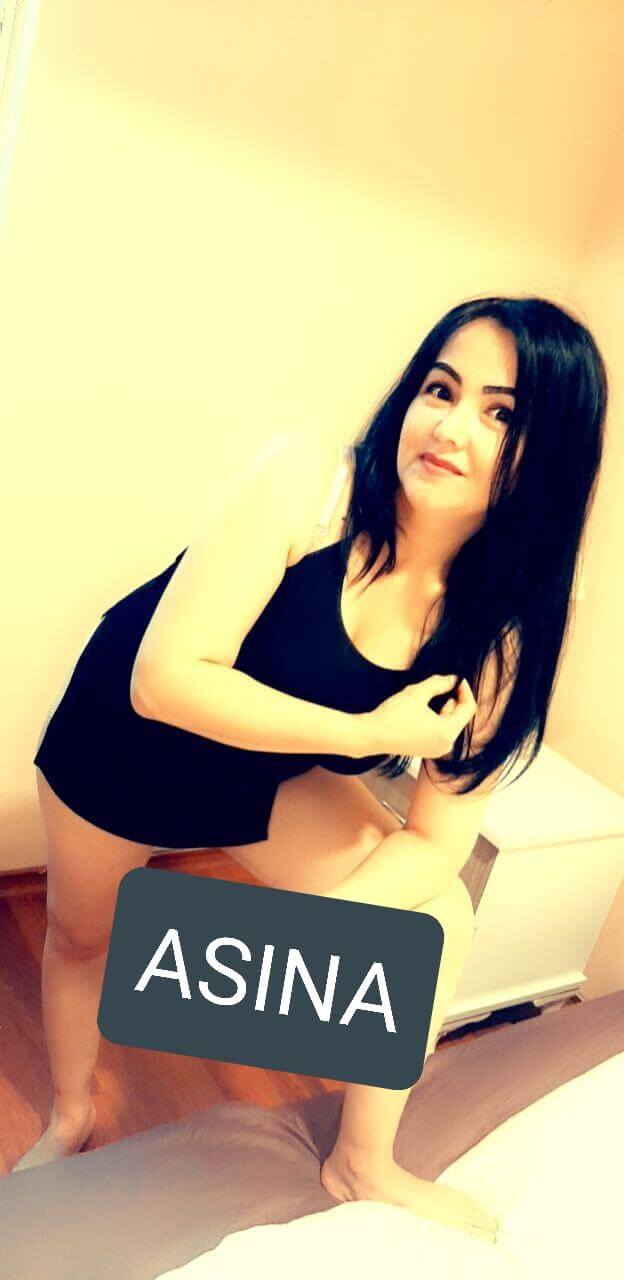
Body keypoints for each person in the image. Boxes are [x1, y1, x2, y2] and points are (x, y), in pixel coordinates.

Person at [12, 295, 607, 1246]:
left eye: (500, 413)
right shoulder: (309, 487)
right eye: (440, 389)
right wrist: (367, 725)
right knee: (82, 938)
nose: (450, 426)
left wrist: (297, 938)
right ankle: (73, 1114)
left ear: (551, 455)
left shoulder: (504, 628)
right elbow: (165, 680)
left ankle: (362, 1161)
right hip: (122, 742)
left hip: (261, 777)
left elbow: (436, 839)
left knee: (436, 912)